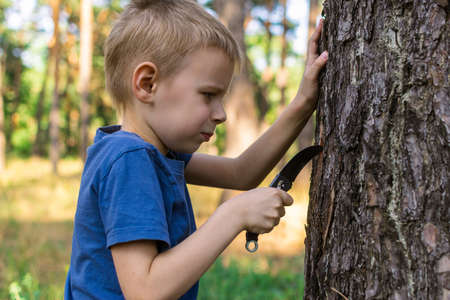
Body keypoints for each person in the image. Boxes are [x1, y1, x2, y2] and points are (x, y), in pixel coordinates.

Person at [64, 0, 328, 299]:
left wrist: (304, 102)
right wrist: (233, 215)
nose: (221, 113)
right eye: (208, 95)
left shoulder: (156, 154)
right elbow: (145, 290)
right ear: (147, 84)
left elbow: (241, 173)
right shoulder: (129, 159)